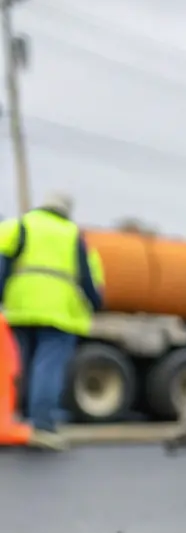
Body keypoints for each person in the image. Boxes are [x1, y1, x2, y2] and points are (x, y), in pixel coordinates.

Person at [0, 193, 104, 450]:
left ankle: (15, 420)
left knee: (18, 366)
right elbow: (87, 277)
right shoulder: (72, 235)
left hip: (19, 308)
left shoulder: (19, 226)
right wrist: (96, 304)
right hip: (58, 312)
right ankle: (42, 425)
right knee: (48, 366)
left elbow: (2, 264)